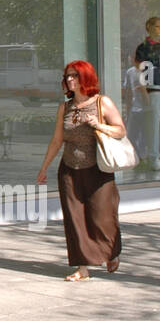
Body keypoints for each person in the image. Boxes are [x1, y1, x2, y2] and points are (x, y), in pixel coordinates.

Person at [36, 61, 126, 281]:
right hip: (69, 169)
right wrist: (44, 167)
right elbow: (57, 140)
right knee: (75, 219)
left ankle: (111, 250)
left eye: (74, 75)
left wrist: (99, 125)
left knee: (101, 217)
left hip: (98, 170)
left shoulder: (101, 103)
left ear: (85, 77)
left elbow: (121, 130)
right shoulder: (64, 108)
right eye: (67, 76)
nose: (70, 80)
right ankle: (82, 268)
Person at [135, 17, 160, 169]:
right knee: (153, 125)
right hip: (153, 90)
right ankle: (153, 157)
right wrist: (144, 91)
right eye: (157, 26)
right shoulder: (143, 47)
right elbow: (140, 69)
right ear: (149, 27)